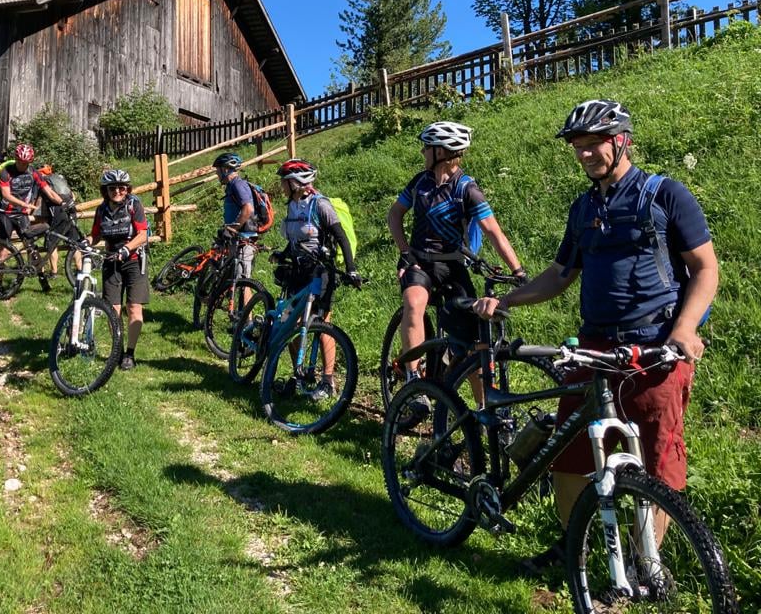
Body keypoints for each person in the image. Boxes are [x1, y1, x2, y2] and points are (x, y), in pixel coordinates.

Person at [473, 99, 719, 574]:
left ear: (622, 141)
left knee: (656, 460)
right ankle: (575, 550)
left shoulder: (665, 195)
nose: (585, 155)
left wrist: (685, 329)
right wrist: (508, 300)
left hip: (654, 348)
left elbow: (705, 268)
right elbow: (561, 274)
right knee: (569, 454)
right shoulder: (584, 207)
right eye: (578, 147)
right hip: (594, 346)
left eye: (594, 145)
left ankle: (646, 566)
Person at [387, 121, 524, 382]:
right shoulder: (420, 182)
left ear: (440, 152)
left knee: (474, 343)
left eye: (426, 147)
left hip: (453, 266)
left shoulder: (466, 189)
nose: (423, 152)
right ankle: (413, 382)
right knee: (414, 303)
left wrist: (518, 271)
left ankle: (483, 405)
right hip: (420, 263)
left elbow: (493, 231)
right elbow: (394, 215)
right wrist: (405, 253)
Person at [271, 159, 362, 400]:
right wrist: (283, 254)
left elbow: (341, 237)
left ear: (296, 183)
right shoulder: (292, 205)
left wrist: (351, 269)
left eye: (284, 181)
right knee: (290, 323)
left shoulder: (320, 205)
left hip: (320, 272)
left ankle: (328, 381)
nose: (281, 186)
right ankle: (299, 375)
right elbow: (295, 240)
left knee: (322, 326)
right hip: (298, 271)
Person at [90, 169, 149, 371]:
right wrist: (85, 242)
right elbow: (95, 235)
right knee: (112, 310)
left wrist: (126, 249)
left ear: (127, 189)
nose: (117, 191)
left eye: (121, 187)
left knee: (133, 308)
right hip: (111, 261)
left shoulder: (134, 204)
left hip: (133, 260)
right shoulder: (102, 210)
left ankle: (130, 353)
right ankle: (118, 349)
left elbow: (143, 235)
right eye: (112, 188)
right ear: (105, 190)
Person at [0, 143, 71, 265]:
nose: (22, 165)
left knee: (30, 245)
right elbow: (6, 195)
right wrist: (24, 204)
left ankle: (37, 273)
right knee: (4, 248)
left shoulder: (34, 173)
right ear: (15, 159)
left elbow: (49, 192)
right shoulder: (6, 172)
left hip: (21, 214)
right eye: (20, 162)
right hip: (6, 213)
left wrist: (63, 203)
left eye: (25, 163)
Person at [213, 152, 258, 281]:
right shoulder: (231, 186)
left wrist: (233, 229)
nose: (217, 173)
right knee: (232, 278)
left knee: (242, 281)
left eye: (218, 170)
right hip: (235, 238)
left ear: (225, 169)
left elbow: (248, 208)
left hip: (244, 239)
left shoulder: (238, 185)